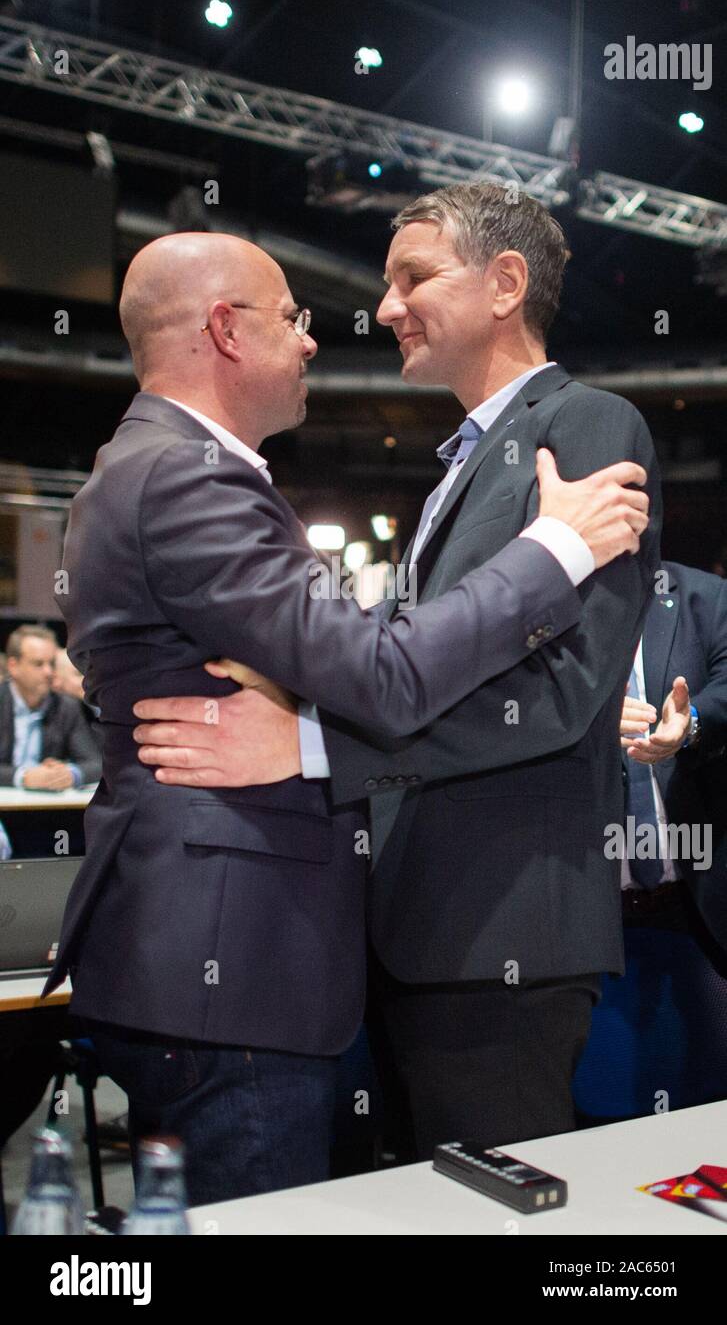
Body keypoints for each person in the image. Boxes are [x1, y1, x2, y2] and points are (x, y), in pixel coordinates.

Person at [42, 228, 649, 1206]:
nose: (322, 336)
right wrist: (550, 549)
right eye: (293, 315)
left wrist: (308, 735)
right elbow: (380, 674)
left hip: (248, 955)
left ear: (506, 286)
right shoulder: (188, 477)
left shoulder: (152, 467)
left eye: (413, 277)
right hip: (235, 972)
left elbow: (513, 687)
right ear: (224, 330)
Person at [574, 560, 727, 1119]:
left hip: (696, 911)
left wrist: (688, 726)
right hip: (584, 920)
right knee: (594, 1114)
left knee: (706, 1105)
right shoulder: (534, 603)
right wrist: (586, 722)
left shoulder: (701, 598)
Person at [0, 625, 101, 789]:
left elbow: (96, 763)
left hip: (47, 807)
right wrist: (23, 777)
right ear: (13, 666)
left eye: (51, 664)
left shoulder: (67, 707)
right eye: (38, 664)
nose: (48, 672)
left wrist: (70, 774)